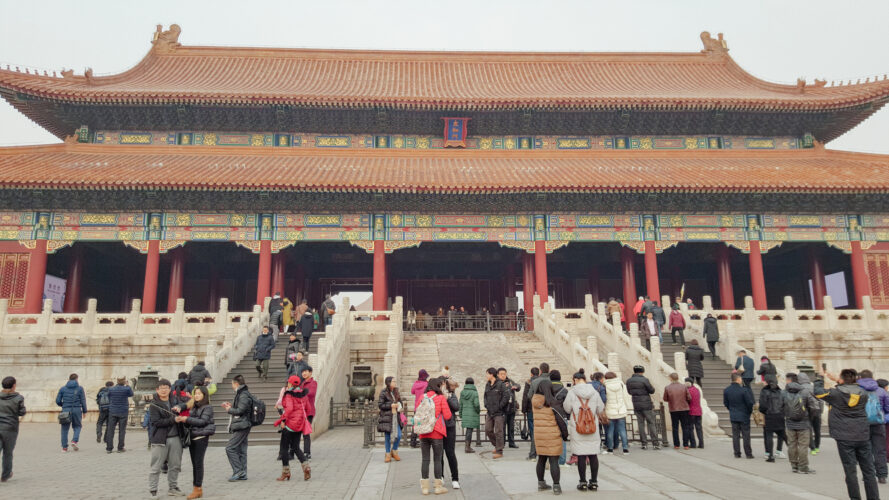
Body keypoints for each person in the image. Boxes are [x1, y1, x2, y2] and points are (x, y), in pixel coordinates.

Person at [816, 369, 879, 500]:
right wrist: (841, 382)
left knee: (850, 472)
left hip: (844, 436)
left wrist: (820, 378)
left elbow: (817, 392)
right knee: (869, 471)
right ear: (855, 379)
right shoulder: (863, 393)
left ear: (842, 378)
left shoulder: (836, 393)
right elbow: (852, 390)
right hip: (862, 435)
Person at [564, 369, 605, 492]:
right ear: (585, 380)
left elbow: (566, 408)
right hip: (592, 427)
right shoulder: (594, 392)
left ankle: (582, 482)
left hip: (578, 427)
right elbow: (601, 408)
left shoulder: (572, 393)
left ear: (575, 380)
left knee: (581, 455)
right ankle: (594, 482)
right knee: (593, 455)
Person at [175, 385, 215, 499]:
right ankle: (197, 488)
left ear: (204, 395)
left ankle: (197, 488)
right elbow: (191, 423)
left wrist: (187, 419)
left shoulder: (207, 407)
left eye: (199, 394)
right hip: (193, 436)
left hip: (201, 437)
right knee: (195, 464)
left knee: (198, 464)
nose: (196, 396)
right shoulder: (195, 406)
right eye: (195, 394)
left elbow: (202, 422)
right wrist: (181, 418)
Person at [147, 379, 185, 497]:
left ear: (170, 389)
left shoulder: (175, 401)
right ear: (157, 390)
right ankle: (153, 491)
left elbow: (189, 403)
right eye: (161, 388)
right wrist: (173, 419)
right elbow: (156, 422)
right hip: (160, 439)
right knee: (156, 466)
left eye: (166, 387)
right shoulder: (154, 405)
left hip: (175, 437)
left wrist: (181, 408)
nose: (164, 390)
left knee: (175, 465)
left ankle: (173, 487)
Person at [532, 367, 564, 494]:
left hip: (539, 435)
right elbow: (561, 420)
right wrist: (565, 434)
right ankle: (556, 486)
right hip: (552, 434)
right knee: (553, 460)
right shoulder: (552, 403)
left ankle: (541, 483)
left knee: (541, 459)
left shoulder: (535, 402)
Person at [418, 377, 452, 495]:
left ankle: (425, 488)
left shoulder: (422, 397)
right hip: (436, 432)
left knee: (425, 459)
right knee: (437, 459)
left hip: (423, 432)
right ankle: (438, 487)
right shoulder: (441, 398)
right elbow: (448, 416)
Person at [274, 375, 311, 482]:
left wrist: (283, 420)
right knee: (295, 447)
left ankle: (286, 472)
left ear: (290, 383)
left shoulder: (289, 394)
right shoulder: (304, 394)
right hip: (299, 424)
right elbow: (308, 409)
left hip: (289, 425)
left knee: (284, 448)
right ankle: (306, 466)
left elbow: (289, 409)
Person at [858, 369, 889, 484]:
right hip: (879, 424)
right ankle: (882, 475)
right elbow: (888, 409)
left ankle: (868, 474)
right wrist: (883, 419)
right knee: (880, 450)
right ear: (872, 377)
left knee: (865, 451)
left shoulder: (857, 391)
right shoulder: (881, 391)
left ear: (860, 377)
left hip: (862, 424)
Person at [784, 373, 818, 474]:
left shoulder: (784, 393)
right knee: (803, 445)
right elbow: (815, 407)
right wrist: (809, 417)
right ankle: (803, 467)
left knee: (792, 444)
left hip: (790, 423)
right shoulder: (805, 392)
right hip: (804, 423)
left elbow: (779, 407)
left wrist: (787, 415)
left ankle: (794, 465)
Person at [222, 374, 253, 481]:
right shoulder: (242, 393)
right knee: (241, 450)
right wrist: (231, 406)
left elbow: (240, 411)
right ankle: (243, 473)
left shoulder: (243, 394)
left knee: (230, 448)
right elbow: (241, 408)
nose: (231, 386)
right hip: (243, 424)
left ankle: (238, 471)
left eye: (232, 384)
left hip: (242, 425)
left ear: (236, 384)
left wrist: (229, 409)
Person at [626, 365, 659, 450]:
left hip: (636, 404)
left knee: (640, 424)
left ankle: (644, 443)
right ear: (642, 371)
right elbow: (652, 390)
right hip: (646, 404)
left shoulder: (629, 381)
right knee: (651, 423)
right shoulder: (644, 380)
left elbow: (629, 392)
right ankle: (655, 443)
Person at [0, 376, 25, 483]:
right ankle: (5, 475)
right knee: (8, 452)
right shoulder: (19, 398)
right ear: (14, 386)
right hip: (11, 428)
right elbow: (22, 412)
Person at [724, 372, 755, 459]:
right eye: (741, 378)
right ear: (738, 379)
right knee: (746, 435)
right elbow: (749, 403)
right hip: (744, 415)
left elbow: (726, 403)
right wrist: (749, 412)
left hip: (733, 415)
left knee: (735, 435)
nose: (741, 380)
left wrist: (731, 410)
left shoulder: (727, 390)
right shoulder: (744, 390)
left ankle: (737, 453)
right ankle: (748, 454)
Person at [56, 373, 87, 452]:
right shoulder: (80, 389)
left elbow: (57, 401)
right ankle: (74, 441)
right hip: (76, 410)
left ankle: (64, 448)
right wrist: (84, 411)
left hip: (65, 410)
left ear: (69, 379)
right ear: (76, 379)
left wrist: (63, 405)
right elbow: (83, 401)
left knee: (64, 429)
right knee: (77, 426)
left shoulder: (63, 389)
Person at [759, 375, 786, 462]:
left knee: (769, 435)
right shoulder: (781, 391)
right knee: (782, 434)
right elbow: (784, 404)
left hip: (769, 415)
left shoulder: (764, 391)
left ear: (767, 382)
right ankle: (792, 452)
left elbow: (762, 405)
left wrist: (765, 412)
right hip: (780, 415)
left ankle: (770, 455)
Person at [484, 367, 509, 459]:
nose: (486, 376)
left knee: (499, 431)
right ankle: (497, 445)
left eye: (487, 374)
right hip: (490, 411)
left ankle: (499, 451)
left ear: (491, 374)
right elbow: (485, 396)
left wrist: (499, 406)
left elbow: (506, 396)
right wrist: (486, 405)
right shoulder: (487, 384)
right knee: (488, 429)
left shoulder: (500, 384)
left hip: (498, 412)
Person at [442, 377, 461, 489]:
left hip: (449, 426)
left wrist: (448, 398)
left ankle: (455, 478)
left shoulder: (452, 395)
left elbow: (456, 407)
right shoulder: (437, 394)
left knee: (450, 453)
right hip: (439, 427)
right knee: (439, 454)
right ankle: (440, 477)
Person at [378, 376, 403, 463]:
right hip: (387, 417)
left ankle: (394, 450)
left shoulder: (396, 391)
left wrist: (400, 405)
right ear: (388, 383)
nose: (395, 382)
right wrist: (390, 405)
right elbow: (380, 405)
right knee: (387, 436)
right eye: (393, 381)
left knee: (399, 435)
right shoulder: (383, 392)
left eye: (395, 381)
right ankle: (388, 453)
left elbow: (400, 401)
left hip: (396, 417)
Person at [663, 372, 691, 450]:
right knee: (685, 427)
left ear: (671, 378)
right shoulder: (684, 387)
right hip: (684, 408)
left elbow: (665, 398)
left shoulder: (667, 387)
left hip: (673, 409)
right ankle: (686, 444)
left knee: (675, 427)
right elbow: (689, 397)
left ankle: (676, 444)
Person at [604, 371, 629, 454]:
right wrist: (626, 407)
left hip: (610, 410)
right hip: (620, 409)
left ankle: (610, 448)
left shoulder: (605, 385)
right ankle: (625, 449)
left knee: (610, 430)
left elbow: (605, 399)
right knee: (622, 430)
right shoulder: (621, 384)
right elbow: (625, 397)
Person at [106, 377, 133, 453]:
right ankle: (120, 448)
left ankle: (109, 448)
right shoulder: (126, 389)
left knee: (110, 430)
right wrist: (128, 385)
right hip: (123, 411)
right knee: (122, 430)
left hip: (113, 411)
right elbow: (131, 394)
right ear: (124, 381)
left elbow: (109, 397)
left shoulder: (111, 389)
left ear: (117, 381)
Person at [799, 372, 823, 455]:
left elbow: (801, 401)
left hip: (807, 411)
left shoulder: (800, 389)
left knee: (809, 430)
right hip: (817, 410)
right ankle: (817, 447)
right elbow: (820, 399)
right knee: (817, 430)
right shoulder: (814, 387)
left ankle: (812, 448)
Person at [549, 371, 569, 466]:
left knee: (549, 439)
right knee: (562, 439)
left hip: (549, 416)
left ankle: (551, 460)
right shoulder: (564, 390)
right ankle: (562, 461)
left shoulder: (546, 390)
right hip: (561, 416)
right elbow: (567, 406)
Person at [498, 367, 521, 449]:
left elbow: (518, 386)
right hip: (503, 409)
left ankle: (511, 442)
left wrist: (516, 387)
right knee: (502, 427)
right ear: (498, 375)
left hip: (511, 408)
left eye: (504, 374)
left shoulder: (510, 381)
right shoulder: (497, 383)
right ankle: (502, 443)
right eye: (501, 374)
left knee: (511, 427)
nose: (503, 375)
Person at [522, 367, 541, 460]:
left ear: (531, 374)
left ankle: (533, 453)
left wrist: (523, 409)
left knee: (533, 431)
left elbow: (526, 397)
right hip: (540, 409)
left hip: (530, 409)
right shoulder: (542, 382)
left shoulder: (529, 383)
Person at [298, 366, 317, 459]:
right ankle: (295, 451)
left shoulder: (313, 383)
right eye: (302, 372)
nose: (304, 373)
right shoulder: (302, 383)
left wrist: (300, 393)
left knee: (306, 433)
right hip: (300, 411)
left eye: (305, 371)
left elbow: (311, 393)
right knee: (298, 432)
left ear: (310, 372)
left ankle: (307, 452)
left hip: (309, 411)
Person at [459, 377, 480, 453]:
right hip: (472, 413)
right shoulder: (474, 392)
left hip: (465, 413)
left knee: (468, 430)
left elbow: (460, 404)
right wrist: (478, 411)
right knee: (469, 430)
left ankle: (467, 446)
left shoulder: (462, 392)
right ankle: (467, 447)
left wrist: (460, 414)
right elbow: (476, 404)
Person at [410, 369, 429, 448]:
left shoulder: (416, 383)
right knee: (424, 424)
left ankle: (413, 441)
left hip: (416, 407)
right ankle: (423, 441)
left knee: (416, 424)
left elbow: (412, 392)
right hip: (424, 406)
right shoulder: (427, 384)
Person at [686, 378, 704, 449]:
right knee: (699, 428)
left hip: (691, 411)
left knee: (691, 428)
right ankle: (701, 443)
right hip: (699, 411)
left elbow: (688, 400)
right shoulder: (697, 390)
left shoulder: (688, 391)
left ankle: (693, 444)